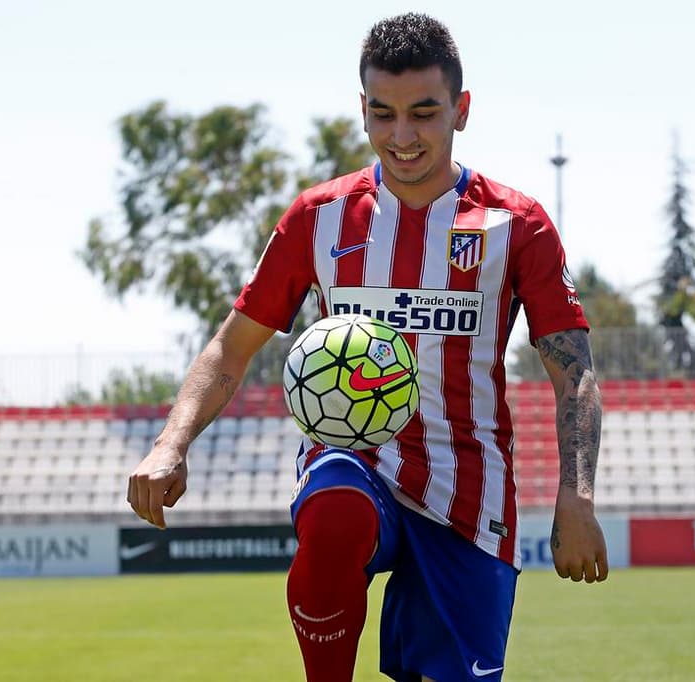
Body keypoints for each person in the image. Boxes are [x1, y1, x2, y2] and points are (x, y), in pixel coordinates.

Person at [127, 12, 608, 682]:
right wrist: (169, 442)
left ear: (461, 110)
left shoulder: (513, 224)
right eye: (382, 114)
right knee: (332, 517)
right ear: (362, 111)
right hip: (353, 460)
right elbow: (230, 348)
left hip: (468, 495)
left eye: (424, 113)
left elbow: (574, 374)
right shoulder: (318, 218)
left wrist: (576, 496)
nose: (402, 136)